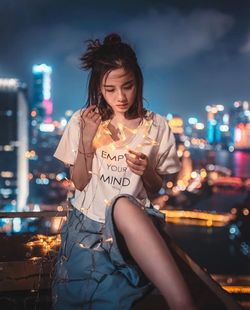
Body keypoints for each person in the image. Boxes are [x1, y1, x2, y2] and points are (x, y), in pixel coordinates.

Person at [53, 33, 195, 310]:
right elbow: (80, 183)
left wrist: (145, 171)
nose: (120, 97)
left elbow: (155, 188)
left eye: (127, 86)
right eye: (110, 89)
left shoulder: (157, 126)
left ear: (138, 82)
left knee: (122, 204)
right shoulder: (83, 121)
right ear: (99, 88)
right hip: (88, 232)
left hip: (134, 231)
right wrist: (86, 140)